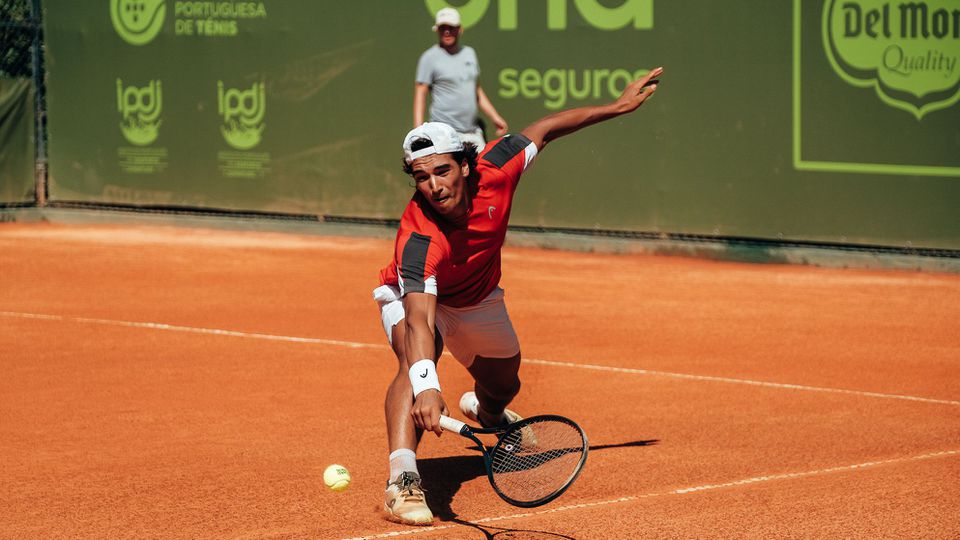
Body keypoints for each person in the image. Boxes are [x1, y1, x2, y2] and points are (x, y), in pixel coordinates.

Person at [374, 66, 665, 525]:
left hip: (478, 296)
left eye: (443, 170)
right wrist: (428, 387)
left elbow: (546, 128)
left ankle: (487, 411)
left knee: (505, 384)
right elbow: (417, 322)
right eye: (421, 176)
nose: (434, 185)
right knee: (415, 364)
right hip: (415, 300)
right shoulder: (419, 239)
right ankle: (403, 481)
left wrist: (616, 107)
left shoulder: (499, 167)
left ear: (466, 165)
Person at [413, 6, 508, 149]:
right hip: (443, 133)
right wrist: (419, 132)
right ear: (437, 30)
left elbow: (477, 91)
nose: (447, 32)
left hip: (472, 132)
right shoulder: (429, 58)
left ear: (460, 29)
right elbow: (420, 94)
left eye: (451, 27)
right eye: (443, 28)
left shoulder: (470, 53)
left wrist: (495, 117)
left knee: (482, 170)